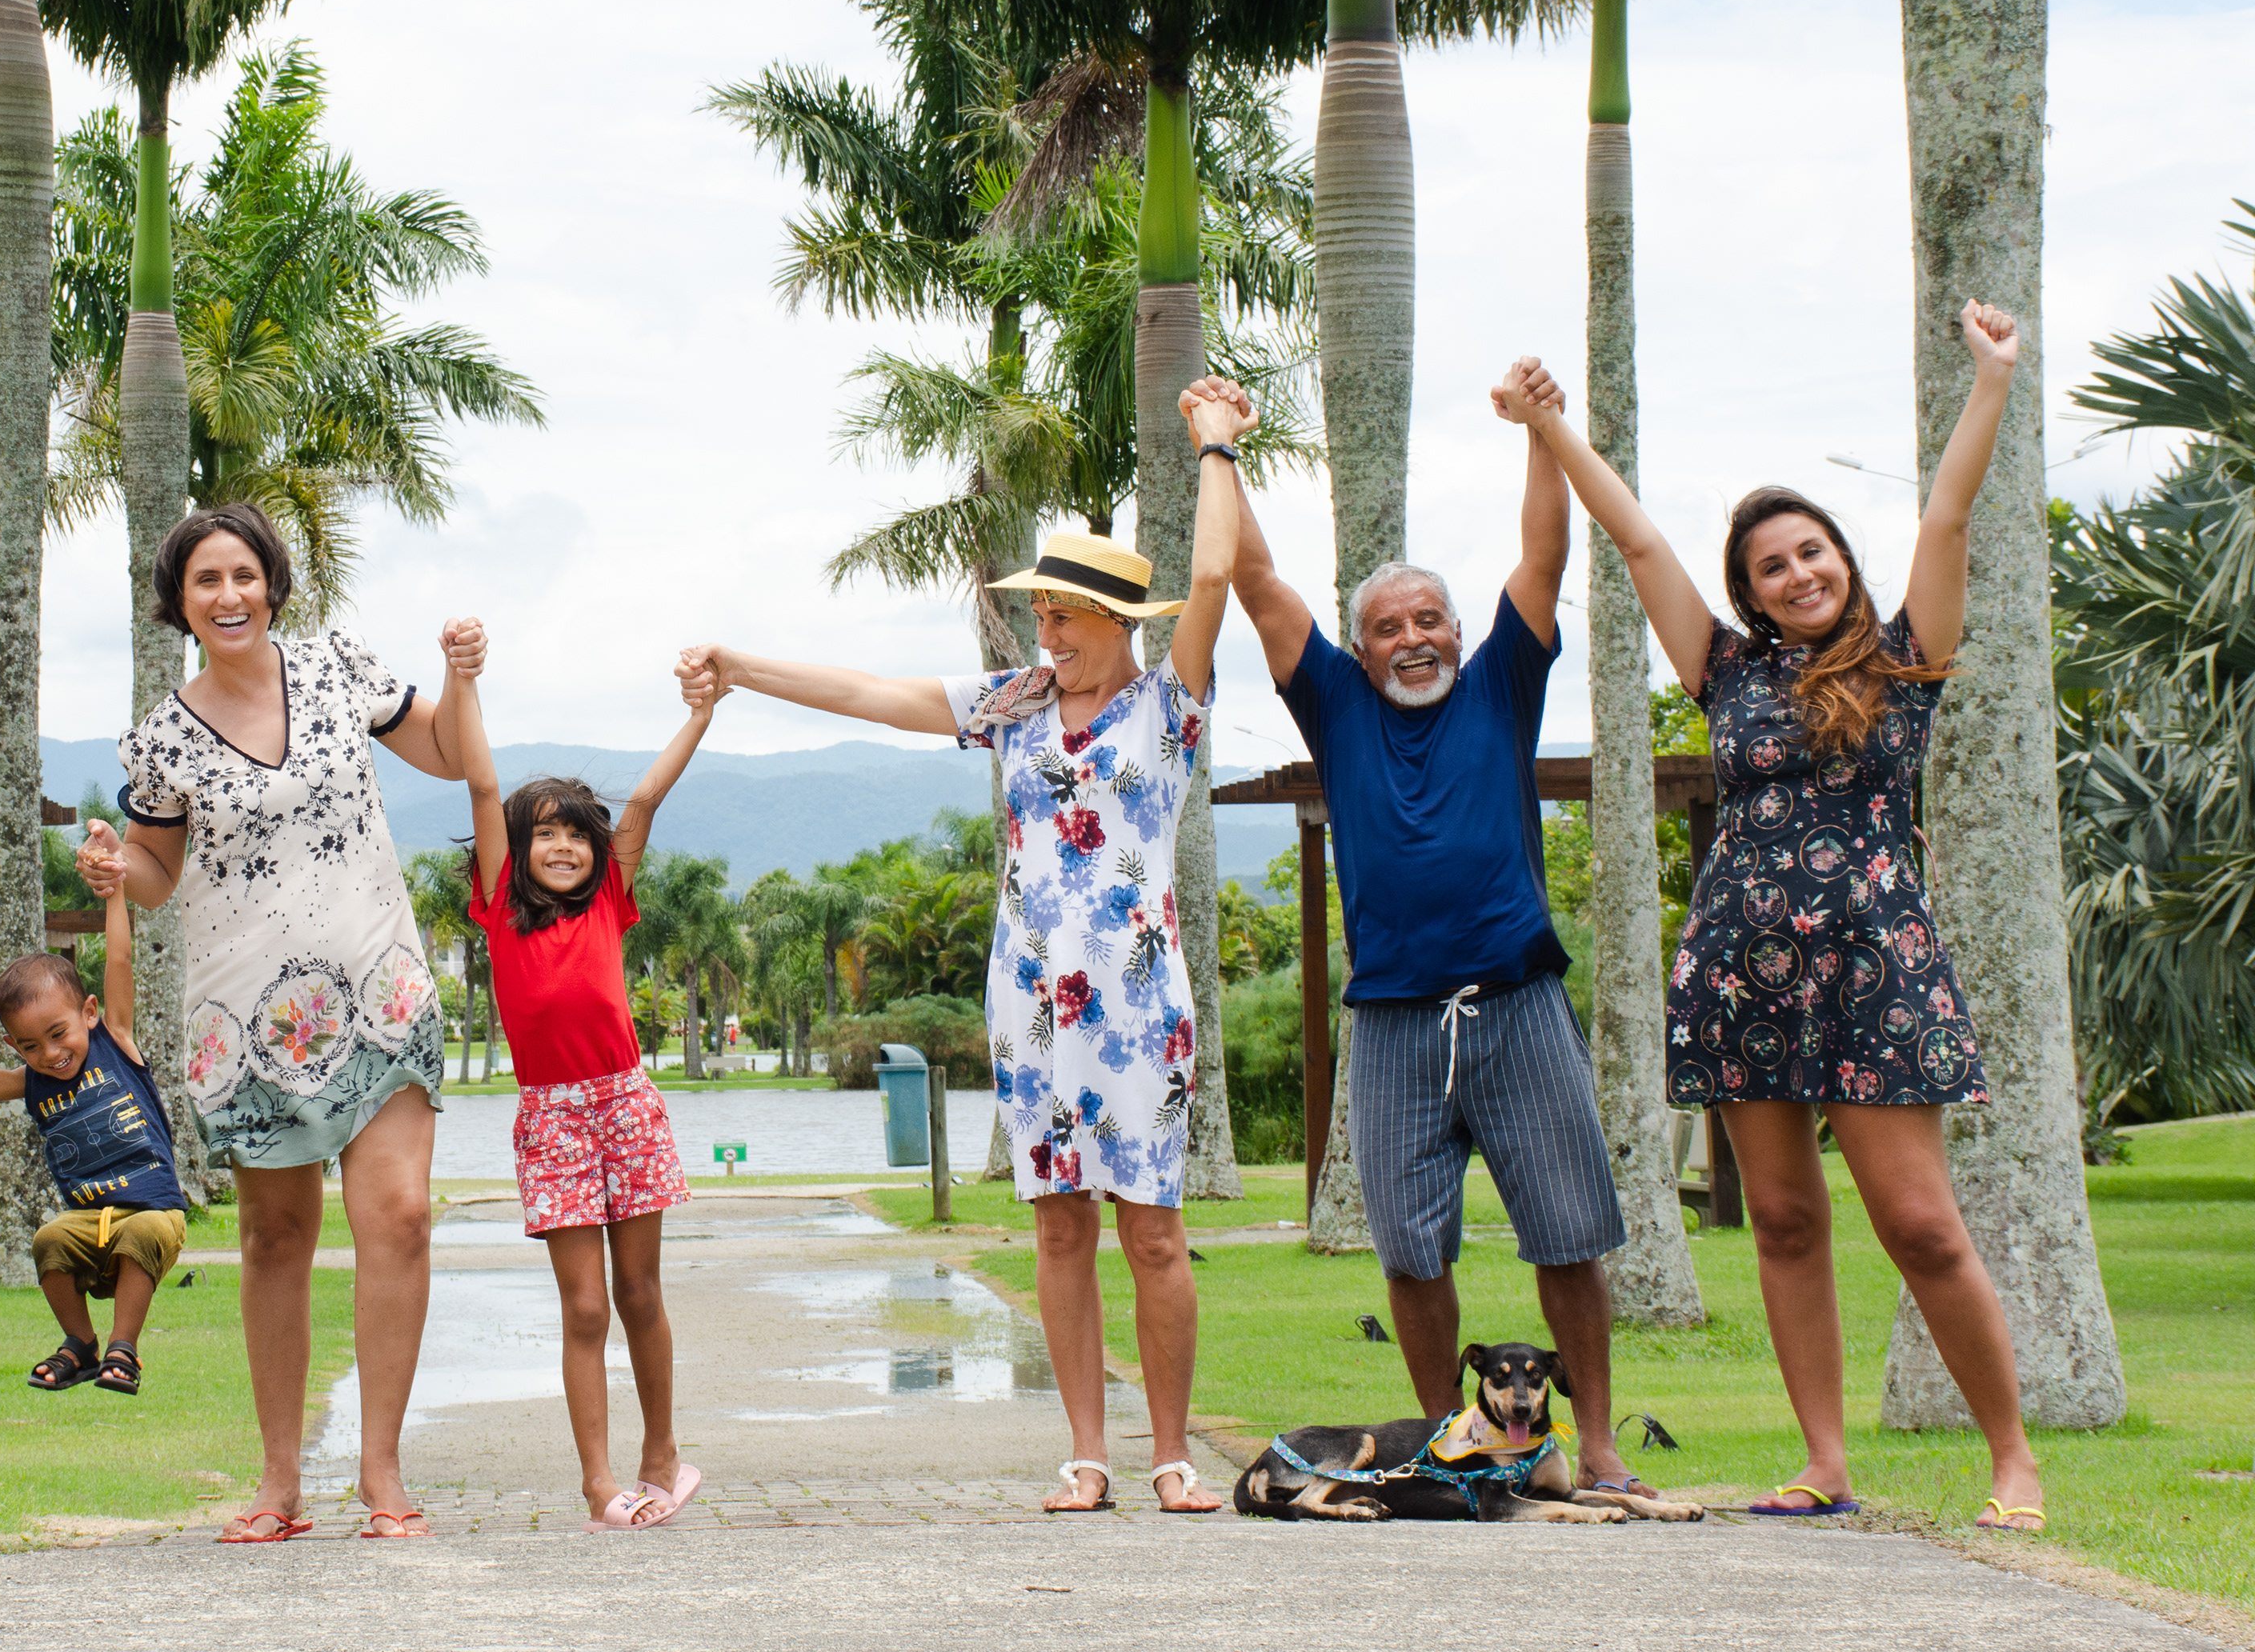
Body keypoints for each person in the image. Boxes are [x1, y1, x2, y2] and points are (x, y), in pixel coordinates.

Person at [1489, 302, 2045, 1532]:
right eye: (1770, 566)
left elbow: (1948, 514)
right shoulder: (1727, 673)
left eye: (1813, 553)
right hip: (1742, 973)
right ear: (1749, 591)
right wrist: (1554, 430)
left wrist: (1992, 382)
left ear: (1843, 558)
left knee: (1919, 1224)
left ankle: (2012, 1458)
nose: (1799, 574)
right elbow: (1635, 546)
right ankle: (1824, 1463)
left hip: (1876, 971)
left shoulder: (1909, 658)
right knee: (1784, 1219)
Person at [677, 381, 1248, 1516]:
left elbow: (1220, 578)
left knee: (1155, 1231)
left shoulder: (1169, 707)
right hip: (1031, 1000)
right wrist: (744, 666)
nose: (1048, 631)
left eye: (1066, 616)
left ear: (1120, 623)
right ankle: (1086, 1453)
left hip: (1138, 1005)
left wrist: (1217, 449)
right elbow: (873, 694)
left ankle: (1172, 1453)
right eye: (1041, 613)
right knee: (1057, 1226)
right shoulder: (1013, 706)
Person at [1224, 356, 1655, 1502]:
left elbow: (1545, 559)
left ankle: (1596, 1447)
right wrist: (1218, 444)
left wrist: (1537, 428)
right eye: (1388, 626)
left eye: (1430, 620)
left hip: (1518, 1005)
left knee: (1567, 1235)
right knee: (1413, 1250)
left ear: (1459, 634)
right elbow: (1260, 580)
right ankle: (1435, 1443)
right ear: (1360, 650)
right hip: (1398, 1022)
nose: (1412, 637)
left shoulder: (1504, 685)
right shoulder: (1336, 707)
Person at [103, 502, 476, 1542]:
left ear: (272, 582)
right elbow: (155, 877)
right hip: (249, 1017)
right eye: (204, 582)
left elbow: (446, 753)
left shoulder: (338, 669)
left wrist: (463, 673)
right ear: (180, 604)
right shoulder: (164, 737)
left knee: (398, 1215)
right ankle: (278, 1484)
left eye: (243, 575)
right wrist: (112, 865)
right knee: (278, 1236)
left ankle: (383, 1471)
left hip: (378, 986)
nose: (228, 595)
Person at [446, 626, 718, 1528]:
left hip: (626, 1106)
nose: (562, 845)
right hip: (554, 1119)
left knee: (642, 1292)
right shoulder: (499, 913)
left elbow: (643, 798)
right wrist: (463, 677)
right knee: (587, 1305)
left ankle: (661, 1455)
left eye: (575, 834)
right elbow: (484, 784)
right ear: (517, 851)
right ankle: (600, 1482)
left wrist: (700, 715)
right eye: (545, 834)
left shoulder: (610, 898)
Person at [0, 823, 182, 1397]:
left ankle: (124, 1349)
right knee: (50, 1240)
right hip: (91, 1221)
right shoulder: (32, 1082)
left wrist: (114, 886)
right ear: (15, 1047)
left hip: (154, 1208)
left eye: (59, 1034)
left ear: (89, 1012)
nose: (51, 1054)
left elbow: (119, 955)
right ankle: (82, 1346)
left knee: (141, 1233)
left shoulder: (116, 1042)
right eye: (30, 1045)